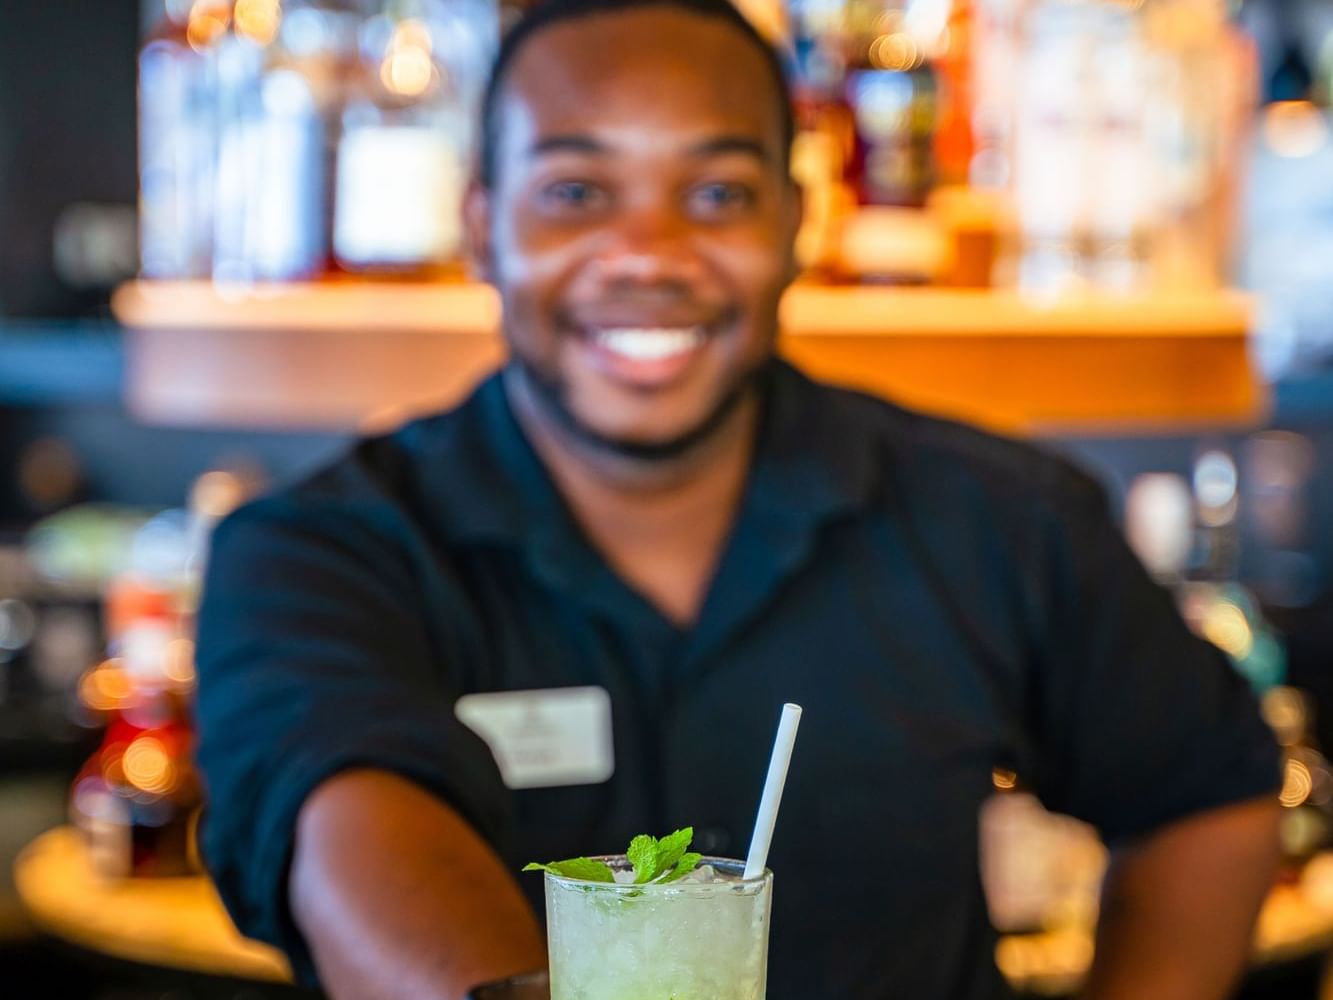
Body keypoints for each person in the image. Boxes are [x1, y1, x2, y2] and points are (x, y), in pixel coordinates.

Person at [194, 0, 1283, 997]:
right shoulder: (318, 552)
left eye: (716, 194)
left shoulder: (1000, 514)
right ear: (481, 226)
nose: (649, 256)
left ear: (793, 227)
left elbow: (1209, 795)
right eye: (574, 192)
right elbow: (346, 821)